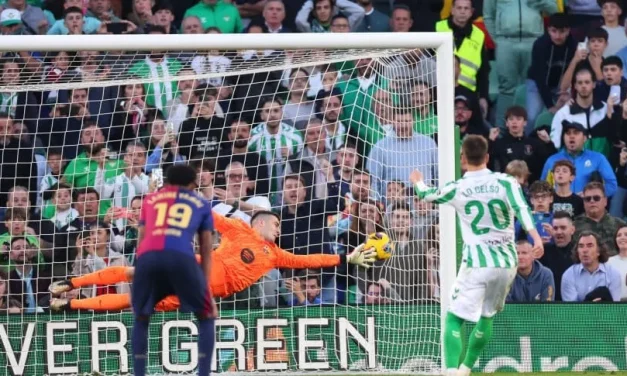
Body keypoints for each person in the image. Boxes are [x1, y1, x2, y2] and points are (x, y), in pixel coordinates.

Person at [49, 212, 377, 312]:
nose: (279, 229)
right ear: (260, 223)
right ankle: (71, 286)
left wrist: (345, 256)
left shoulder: (276, 255)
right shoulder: (241, 230)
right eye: (275, 224)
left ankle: (70, 303)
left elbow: (309, 261)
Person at [410, 135, 544, 376]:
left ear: (463, 159)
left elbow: (428, 195)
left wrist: (418, 182)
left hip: (477, 263)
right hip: (506, 263)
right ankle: (465, 369)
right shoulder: (506, 182)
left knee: (454, 318)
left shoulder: (457, 188)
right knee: (487, 314)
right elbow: (521, 208)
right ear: (487, 157)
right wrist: (535, 237)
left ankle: (452, 373)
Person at [133, 165, 217, 376]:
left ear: (168, 182)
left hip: (147, 259)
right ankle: (204, 373)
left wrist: (139, 275)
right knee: (207, 315)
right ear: (192, 184)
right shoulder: (201, 203)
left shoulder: (150, 200)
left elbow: (140, 240)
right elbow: (206, 247)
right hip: (181, 258)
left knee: (141, 317)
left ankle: (139, 373)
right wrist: (205, 287)